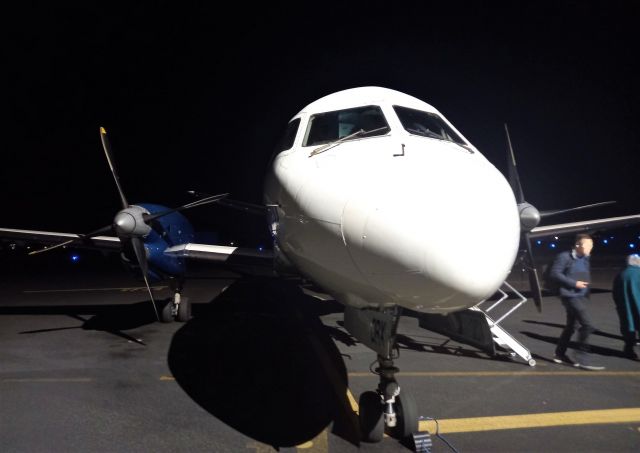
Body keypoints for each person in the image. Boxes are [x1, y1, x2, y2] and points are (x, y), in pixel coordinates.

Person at [550, 233, 605, 370]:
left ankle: (559, 354)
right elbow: (555, 273)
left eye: (592, 245)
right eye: (588, 245)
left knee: (571, 327)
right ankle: (581, 357)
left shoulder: (585, 257)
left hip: (579, 296)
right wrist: (574, 284)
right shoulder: (564, 257)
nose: (590, 248)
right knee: (588, 325)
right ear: (577, 245)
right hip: (569, 296)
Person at [612, 254, 640, 360]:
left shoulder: (620, 275)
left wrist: (619, 305)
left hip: (625, 308)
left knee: (628, 328)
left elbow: (615, 293)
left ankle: (629, 350)